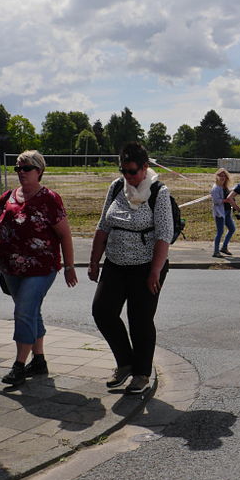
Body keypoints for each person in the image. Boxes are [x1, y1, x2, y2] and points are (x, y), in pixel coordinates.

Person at [0, 150, 78, 386]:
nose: (21, 172)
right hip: (10, 267)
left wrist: (69, 266)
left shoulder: (50, 199)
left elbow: (65, 235)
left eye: (26, 168)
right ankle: (40, 360)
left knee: (24, 311)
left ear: (39, 171)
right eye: (18, 168)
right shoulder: (8, 197)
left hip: (41, 267)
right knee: (30, 310)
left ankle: (19, 366)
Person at [89, 142, 173, 396]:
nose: (127, 176)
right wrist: (94, 261)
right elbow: (103, 226)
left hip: (146, 267)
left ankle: (141, 374)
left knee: (140, 321)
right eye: (123, 170)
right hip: (115, 263)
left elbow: (164, 235)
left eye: (132, 171)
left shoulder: (159, 192)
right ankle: (125, 363)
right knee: (102, 311)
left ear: (145, 167)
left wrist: (155, 271)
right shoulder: (116, 188)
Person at [211, 168, 235, 258]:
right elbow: (216, 201)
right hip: (220, 213)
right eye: (220, 175)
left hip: (227, 211)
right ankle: (216, 251)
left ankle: (224, 247)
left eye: (224, 176)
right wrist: (226, 200)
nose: (222, 177)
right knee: (220, 232)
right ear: (217, 176)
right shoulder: (215, 188)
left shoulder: (225, 186)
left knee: (232, 229)